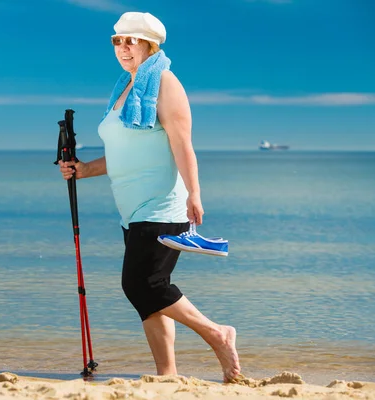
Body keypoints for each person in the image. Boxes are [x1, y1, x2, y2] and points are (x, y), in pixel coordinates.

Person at [58, 11, 242, 383]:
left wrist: (195, 192)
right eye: (118, 41)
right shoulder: (126, 88)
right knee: (147, 296)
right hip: (132, 210)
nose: (123, 47)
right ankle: (167, 374)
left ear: (150, 45)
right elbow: (126, 154)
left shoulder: (165, 83)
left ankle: (217, 334)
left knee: (143, 284)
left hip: (161, 205)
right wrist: (83, 169)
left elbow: (181, 143)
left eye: (132, 40)